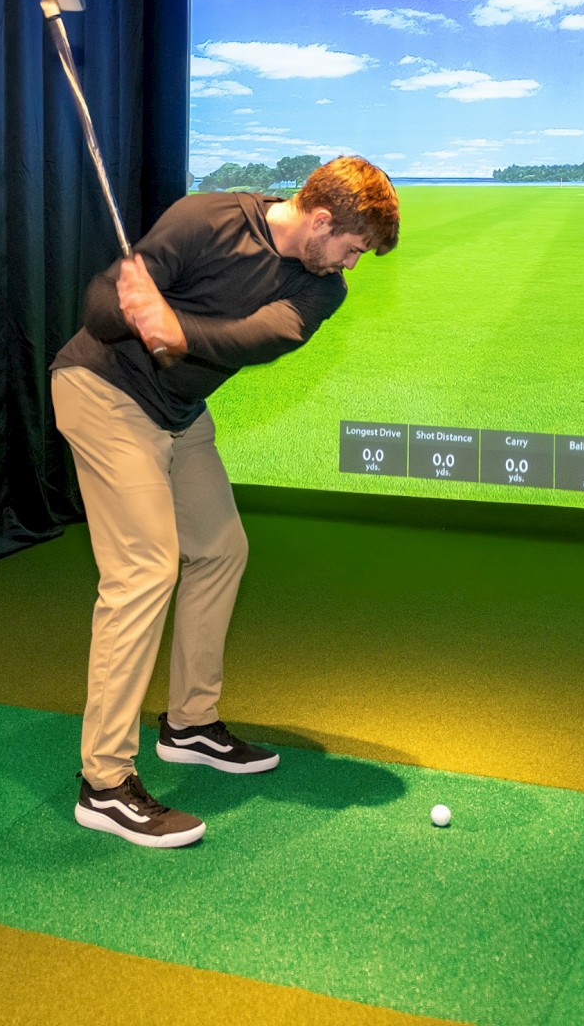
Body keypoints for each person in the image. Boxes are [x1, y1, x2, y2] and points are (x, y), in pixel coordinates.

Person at [51, 155, 400, 847]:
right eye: (353, 249)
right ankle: (106, 784)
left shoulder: (320, 290)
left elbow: (260, 337)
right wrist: (130, 306)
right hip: (103, 393)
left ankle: (189, 724)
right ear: (322, 221)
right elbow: (96, 308)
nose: (351, 266)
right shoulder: (205, 219)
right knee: (145, 569)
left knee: (220, 548)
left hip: (178, 411)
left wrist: (176, 329)